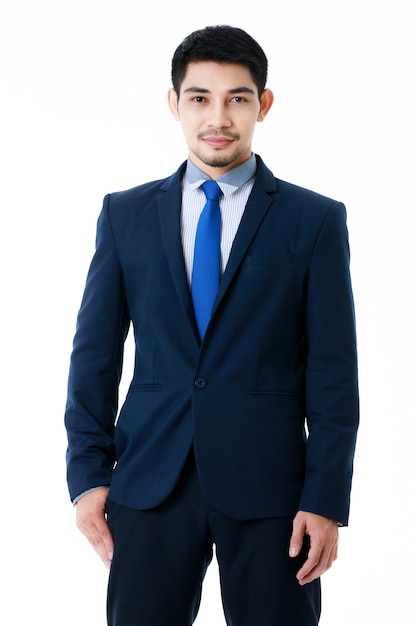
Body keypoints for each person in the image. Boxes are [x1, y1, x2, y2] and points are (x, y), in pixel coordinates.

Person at [65, 24, 359, 626]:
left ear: (263, 105)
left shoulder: (315, 220)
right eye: (200, 97)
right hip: (149, 481)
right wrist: (87, 475)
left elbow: (334, 372)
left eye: (237, 98)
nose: (218, 116)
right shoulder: (125, 216)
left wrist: (326, 498)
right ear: (174, 104)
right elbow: (94, 357)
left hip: (273, 491)